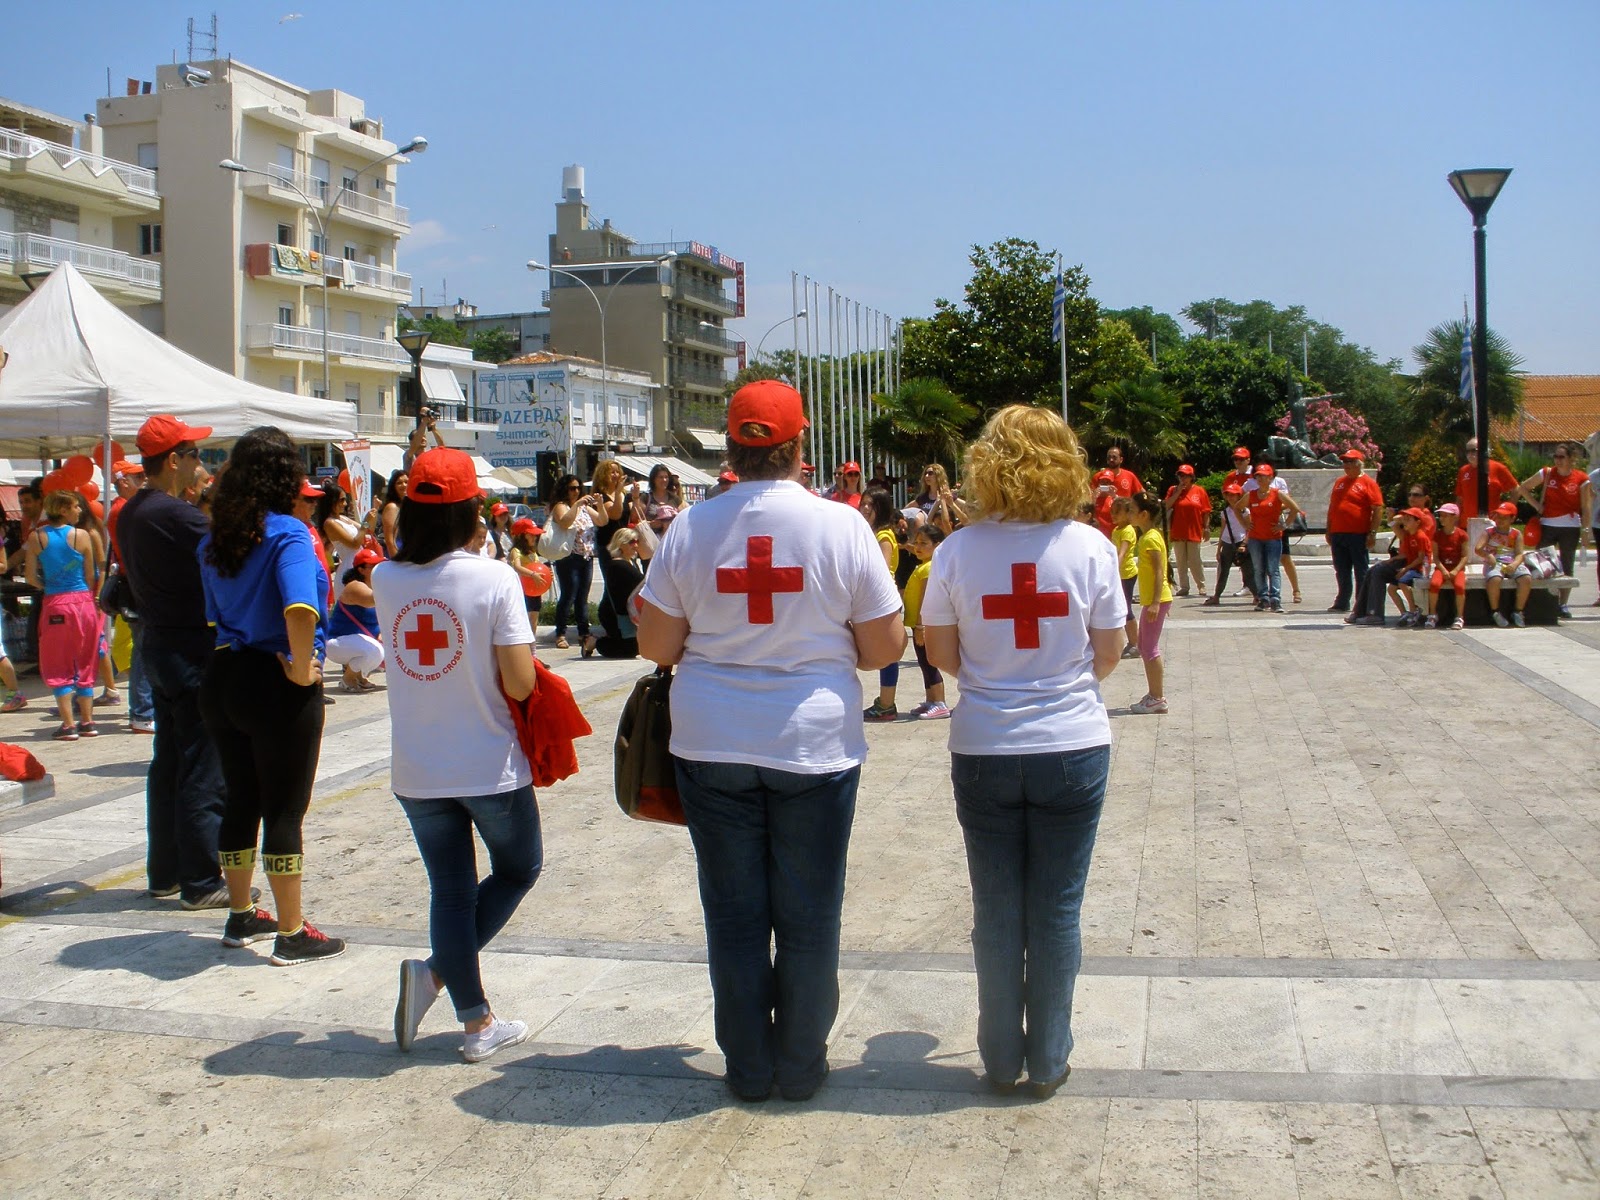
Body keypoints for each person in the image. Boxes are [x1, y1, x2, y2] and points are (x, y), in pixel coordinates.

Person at [636, 379, 905, 1103]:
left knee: (734, 915)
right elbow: (883, 647)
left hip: (713, 743)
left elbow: (657, 642)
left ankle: (748, 1067)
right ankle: (801, 1063)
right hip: (813, 746)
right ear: (799, 448)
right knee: (810, 915)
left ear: (731, 447)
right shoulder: (842, 526)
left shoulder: (690, 529)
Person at [920, 404, 1125, 1098]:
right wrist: (1054, 685)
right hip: (1072, 744)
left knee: (997, 909)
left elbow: (944, 655)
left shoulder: (954, 552)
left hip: (983, 746)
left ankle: (1000, 1056)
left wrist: (998, 681)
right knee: (1057, 910)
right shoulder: (1092, 548)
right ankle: (1049, 1057)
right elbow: (1109, 655)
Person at [372, 447, 540, 1063]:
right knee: (519, 867)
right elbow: (520, 683)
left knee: (450, 888)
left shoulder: (388, 580)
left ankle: (473, 1019)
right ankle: (445, 982)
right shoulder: (493, 578)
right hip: (485, 762)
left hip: (416, 765)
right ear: (473, 509)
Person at [198, 426, 339, 966]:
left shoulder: (214, 538)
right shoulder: (288, 534)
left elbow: (213, 615)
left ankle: (239, 914)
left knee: (240, 797)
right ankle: (291, 929)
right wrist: (303, 670)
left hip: (225, 674)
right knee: (284, 808)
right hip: (274, 678)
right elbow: (300, 607)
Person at [119, 415, 230, 908]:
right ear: (172, 461)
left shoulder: (130, 511)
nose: (199, 464)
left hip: (158, 644)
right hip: (189, 649)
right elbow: (235, 548)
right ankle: (202, 881)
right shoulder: (176, 515)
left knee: (167, 764)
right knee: (202, 768)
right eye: (194, 455)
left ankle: (163, 873)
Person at [25, 488, 102, 740]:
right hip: (83, 602)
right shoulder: (82, 536)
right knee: (86, 658)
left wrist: (46, 586)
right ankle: (88, 721)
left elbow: (29, 576)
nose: (80, 510)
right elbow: (91, 576)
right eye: (75, 506)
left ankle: (69, 724)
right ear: (63, 509)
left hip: (56, 603)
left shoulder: (37, 537)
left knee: (57, 660)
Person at [1517, 443, 1593, 617]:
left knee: (1567, 565)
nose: (1557, 461)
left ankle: (1563, 604)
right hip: (1548, 525)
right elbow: (1524, 487)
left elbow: (1586, 507)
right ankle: (1540, 601)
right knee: (1541, 564)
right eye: (1555, 457)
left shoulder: (1581, 479)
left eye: (1561, 457)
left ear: (1571, 459)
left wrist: (1585, 530)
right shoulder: (1547, 473)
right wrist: (1537, 505)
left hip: (1570, 527)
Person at [862, 487, 905, 722]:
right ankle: (885, 701)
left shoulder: (883, 536)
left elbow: (883, 569)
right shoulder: (873, 532)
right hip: (880, 598)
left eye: (872, 504)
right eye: (864, 503)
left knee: (888, 654)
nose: (866, 508)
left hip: (882, 599)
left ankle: (887, 704)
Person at [1128, 492, 1173, 714]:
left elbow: (1158, 570)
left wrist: (1156, 602)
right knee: (1144, 646)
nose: (1129, 514)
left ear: (1144, 514)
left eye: (1132, 510)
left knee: (1149, 648)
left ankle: (1157, 697)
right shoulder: (1147, 537)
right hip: (1151, 600)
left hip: (1156, 600)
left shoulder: (1151, 538)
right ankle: (1154, 694)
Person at [1324, 449, 1384, 613]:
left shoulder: (1368, 483)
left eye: (1351, 462)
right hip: (1338, 532)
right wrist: (1329, 529)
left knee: (1360, 569)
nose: (1347, 465)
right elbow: (1333, 507)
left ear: (1359, 463)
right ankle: (1342, 600)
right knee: (1341, 569)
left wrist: (1372, 533)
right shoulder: (1339, 482)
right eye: (1345, 462)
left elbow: (1377, 509)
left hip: (1358, 533)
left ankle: (1362, 601)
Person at [901, 523, 950, 719]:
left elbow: (925, 598)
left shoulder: (930, 567)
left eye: (924, 543)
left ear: (937, 545)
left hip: (924, 625)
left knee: (929, 662)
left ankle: (939, 702)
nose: (918, 547)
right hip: (917, 624)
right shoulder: (923, 565)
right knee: (923, 661)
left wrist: (921, 626)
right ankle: (930, 700)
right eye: (917, 542)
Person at [546, 474, 595, 651]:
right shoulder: (561, 506)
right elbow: (565, 522)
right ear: (564, 490)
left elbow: (601, 520)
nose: (575, 491)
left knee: (582, 597)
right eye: (571, 488)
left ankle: (584, 633)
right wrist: (577, 504)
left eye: (577, 488)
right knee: (569, 595)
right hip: (568, 556)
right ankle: (560, 633)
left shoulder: (583, 507)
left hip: (586, 556)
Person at [325, 547, 385, 691]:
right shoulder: (354, 586)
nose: (379, 569)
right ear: (361, 569)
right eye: (374, 566)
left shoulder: (373, 586)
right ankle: (348, 679)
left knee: (389, 649)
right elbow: (374, 600)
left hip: (355, 641)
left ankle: (360, 677)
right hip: (336, 642)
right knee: (375, 650)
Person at [1244, 464, 1300, 614]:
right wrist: (1246, 524)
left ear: (1270, 478)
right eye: (1258, 476)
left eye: (1264, 476)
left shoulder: (1277, 494)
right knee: (1258, 568)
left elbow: (1294, 508)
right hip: (1256, 538)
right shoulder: (1251, 494)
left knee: (1273, 569)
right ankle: (1263, 598)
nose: (1260, 479)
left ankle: (1275, 599)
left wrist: (1284, 525)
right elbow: (1237, 507)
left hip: (1273, 538)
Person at [586, 527, 647, 659]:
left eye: (637, 541)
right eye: (631, 542)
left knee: (637, 647)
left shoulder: (630, 563)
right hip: (616, 615)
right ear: (621, 544)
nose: (635, 545)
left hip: (627, 613)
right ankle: (595, 642)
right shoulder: (617, 565)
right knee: (630, 650)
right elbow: (643, 582)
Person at [1477, 502, 1531, 627]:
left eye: (1504, 517)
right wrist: (1487, 555)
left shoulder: (1516, 534)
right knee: (1494, 579)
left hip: (1511, 562)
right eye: (1498, 516)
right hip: (1495, 561)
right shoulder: (1489, 532)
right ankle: (1495, 611)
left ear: (1512, 518)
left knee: (1526, 578)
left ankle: (1518, 610)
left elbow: (1519, 554)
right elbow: (1478, 548)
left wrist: (1515, 564)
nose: (1500, 520)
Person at [1163, 465, 1210, 597]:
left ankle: (1201, 585)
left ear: (1191, 477)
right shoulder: (1173, 490)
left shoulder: (1199, 491)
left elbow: (1206, 511)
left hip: (1193, 530)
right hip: (1177, 530)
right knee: (1181, 561)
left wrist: (1206, 528)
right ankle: (1184, 586)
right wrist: (1177, 493)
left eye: (1185, 476)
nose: (1182, 478)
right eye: (1180, 475)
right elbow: (1166, 505)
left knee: (1195, 560)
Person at [1384, 509, 1433, 627]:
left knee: (1402, 583)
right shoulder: (1408, 536)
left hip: (1419, 569)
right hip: (1411, 568)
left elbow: (1421, 558)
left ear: (1418, 522)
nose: (1404, 522)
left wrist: (1405, 569)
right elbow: (1406, 553)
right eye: (1404, 519)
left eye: (1408, 519)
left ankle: (1413, 609)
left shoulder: (1421, 536)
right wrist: (1392, 559)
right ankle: (1404, 612)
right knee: (1391, 589)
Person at [1455, 437, 1519, 521]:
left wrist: (1507, 511)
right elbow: (1459, 498)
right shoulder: (1463, 471)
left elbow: (1516, 489)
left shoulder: (1498, 468)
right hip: (1467, 522)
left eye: (1474, 450)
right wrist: (1456, 520)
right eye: (1468, 451)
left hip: (1491, 523)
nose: (1470, 454)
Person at [1426, 503, 1468, 630]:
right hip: (1442, 567)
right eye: (1441, 515)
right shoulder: (1437, 535)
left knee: (1460, 586)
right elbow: (1436, 557)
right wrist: (1443, 570)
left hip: (1457, 568)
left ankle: (1459, 616)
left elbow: (1465, 556)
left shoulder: (1462, 535)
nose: (1441, 518)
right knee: (1434, 585)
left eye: (1445, 515)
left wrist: (1456, 570)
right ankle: (1433, 614)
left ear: (1454, 517)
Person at [1109, 498, 1139, 657]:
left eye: (1117, 512)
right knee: (1121, 609)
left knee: (1126, 609)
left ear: (1127, 514)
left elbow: (1122, 552)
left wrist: (1113, 568)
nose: (1113, 516)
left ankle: (1135, 644)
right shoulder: (1116, 530)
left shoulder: (1128, 530)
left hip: (1126, 574)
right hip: (1119, 574)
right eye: (1112, 512)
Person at [1091, 446, 1142, 538]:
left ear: (1121, 459)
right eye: (1109, 457)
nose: (1111, 459)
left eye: (1114, 457)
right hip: (1101, 527)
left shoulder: (1129, 476)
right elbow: (1088, 499)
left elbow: (1142, 495)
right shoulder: (1097, 477)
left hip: (1123, 527)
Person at [642, 464, 682, 538]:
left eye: (666, 477)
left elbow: (683, 519)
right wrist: (649, 524)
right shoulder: (646, 498)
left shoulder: (675, 499)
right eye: (660, 477)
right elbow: (635, 520)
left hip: (671, 539)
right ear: (654, 479)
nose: (664, 480)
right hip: (651, 540)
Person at [380, 469, 408, 557]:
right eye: (399, 483)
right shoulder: (392, 507)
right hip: (398, 554)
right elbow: (390, 540)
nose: (404, 485)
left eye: (406, 482)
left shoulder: (409, 506)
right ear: (393, 487)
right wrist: (396, 562)